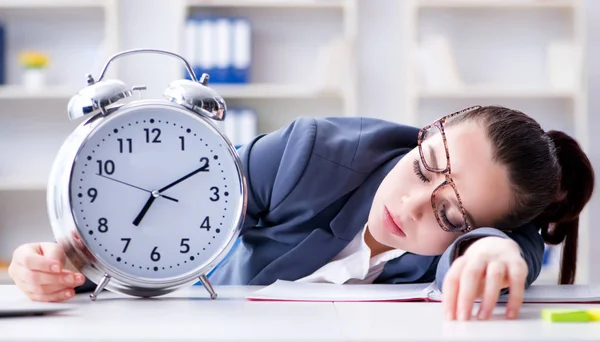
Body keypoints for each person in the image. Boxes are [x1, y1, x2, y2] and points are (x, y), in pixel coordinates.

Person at [7, 105, 594, 321]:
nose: (410, 204)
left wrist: (492, 249)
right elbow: (176, 211)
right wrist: (75, 260)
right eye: (423, 165)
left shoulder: (491, 238)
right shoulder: (306, 153)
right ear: (421, 136)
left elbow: (510, 250)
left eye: (447, 216)